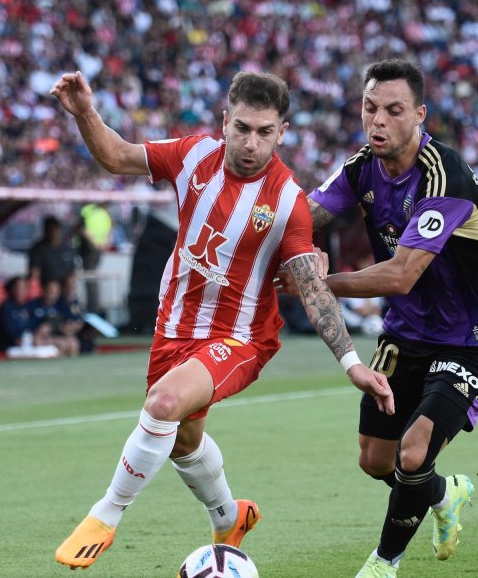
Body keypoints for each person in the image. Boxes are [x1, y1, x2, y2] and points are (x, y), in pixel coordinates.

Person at [49, 69, 393, 570]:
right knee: (182, 441)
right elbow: (117, 155)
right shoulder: (191, 155)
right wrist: (84, 112)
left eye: (266, 132)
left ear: (283, 133)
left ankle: (107, 513)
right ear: (225, 121)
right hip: (173, 328)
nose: (252, 143)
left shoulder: (287, 202)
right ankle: (229, 515)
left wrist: (350, 362)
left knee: (163, 404)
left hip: (239, 338)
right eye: (244, 129)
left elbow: (309, 282)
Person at [290, 59, 478, 577]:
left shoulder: (444, 176)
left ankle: (382, 565)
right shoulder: (361, 166)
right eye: (370, 109)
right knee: (375, 459)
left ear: (419, 114)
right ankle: (444, 494)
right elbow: (303, 216)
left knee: (413, 452)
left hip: (472, 339)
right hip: (406, 333)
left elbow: (402, 275)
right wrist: (277, 240)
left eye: (393, 111)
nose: (379, 121)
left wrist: (318, 282)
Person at [28, 215, 79, 284]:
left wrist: (71, 281)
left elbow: (73, 270)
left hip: (64, 287)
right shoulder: (38, 249)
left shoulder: (67, 248)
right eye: (50, 229)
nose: (54, 232)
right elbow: (34, 272)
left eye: (56, 229)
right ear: (45, 231)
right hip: (46, 288)